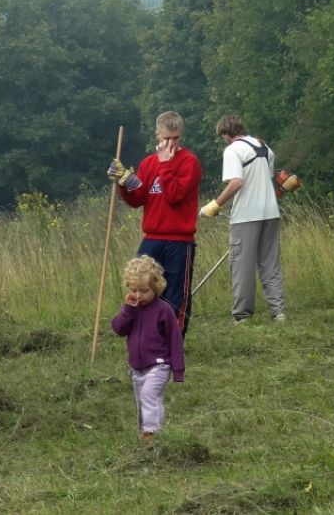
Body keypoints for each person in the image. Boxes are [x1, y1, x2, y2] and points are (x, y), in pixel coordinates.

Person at [107, 110, 202, 337]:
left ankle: (173, 341)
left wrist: (166, 165)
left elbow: (175, 196)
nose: (170, 143)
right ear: (157, 134)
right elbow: (138, 199)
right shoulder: (148, 164)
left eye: (175, 138)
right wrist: (124, 182)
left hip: (180, 241)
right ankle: (144, 334)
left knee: (175, 295)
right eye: (166, 138)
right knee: (140, 286)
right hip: (151, 238)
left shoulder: (190, 162)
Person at [200, 115, 286, 324]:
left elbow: (237, 182)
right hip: (271, 213)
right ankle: (279, 313)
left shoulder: (232, 150)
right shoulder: (266, 148)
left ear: (226, 134)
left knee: (242, 265)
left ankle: (242, 315)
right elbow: (267, 182)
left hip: (246, 216)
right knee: (270, 263)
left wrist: (215, 205)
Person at [111, 255, 185, 442]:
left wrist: (178, 370)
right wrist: (128, 310)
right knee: (142, 402)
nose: (138, 295)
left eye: (144, 291)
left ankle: (151, 432)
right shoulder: (130, 310)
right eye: (133, 290)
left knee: (149, 394)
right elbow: (118, 329)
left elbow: (175, 340)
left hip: (159, 366)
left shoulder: (163, 310)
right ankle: (147, 434)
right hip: (137, 369)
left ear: (155, 288)